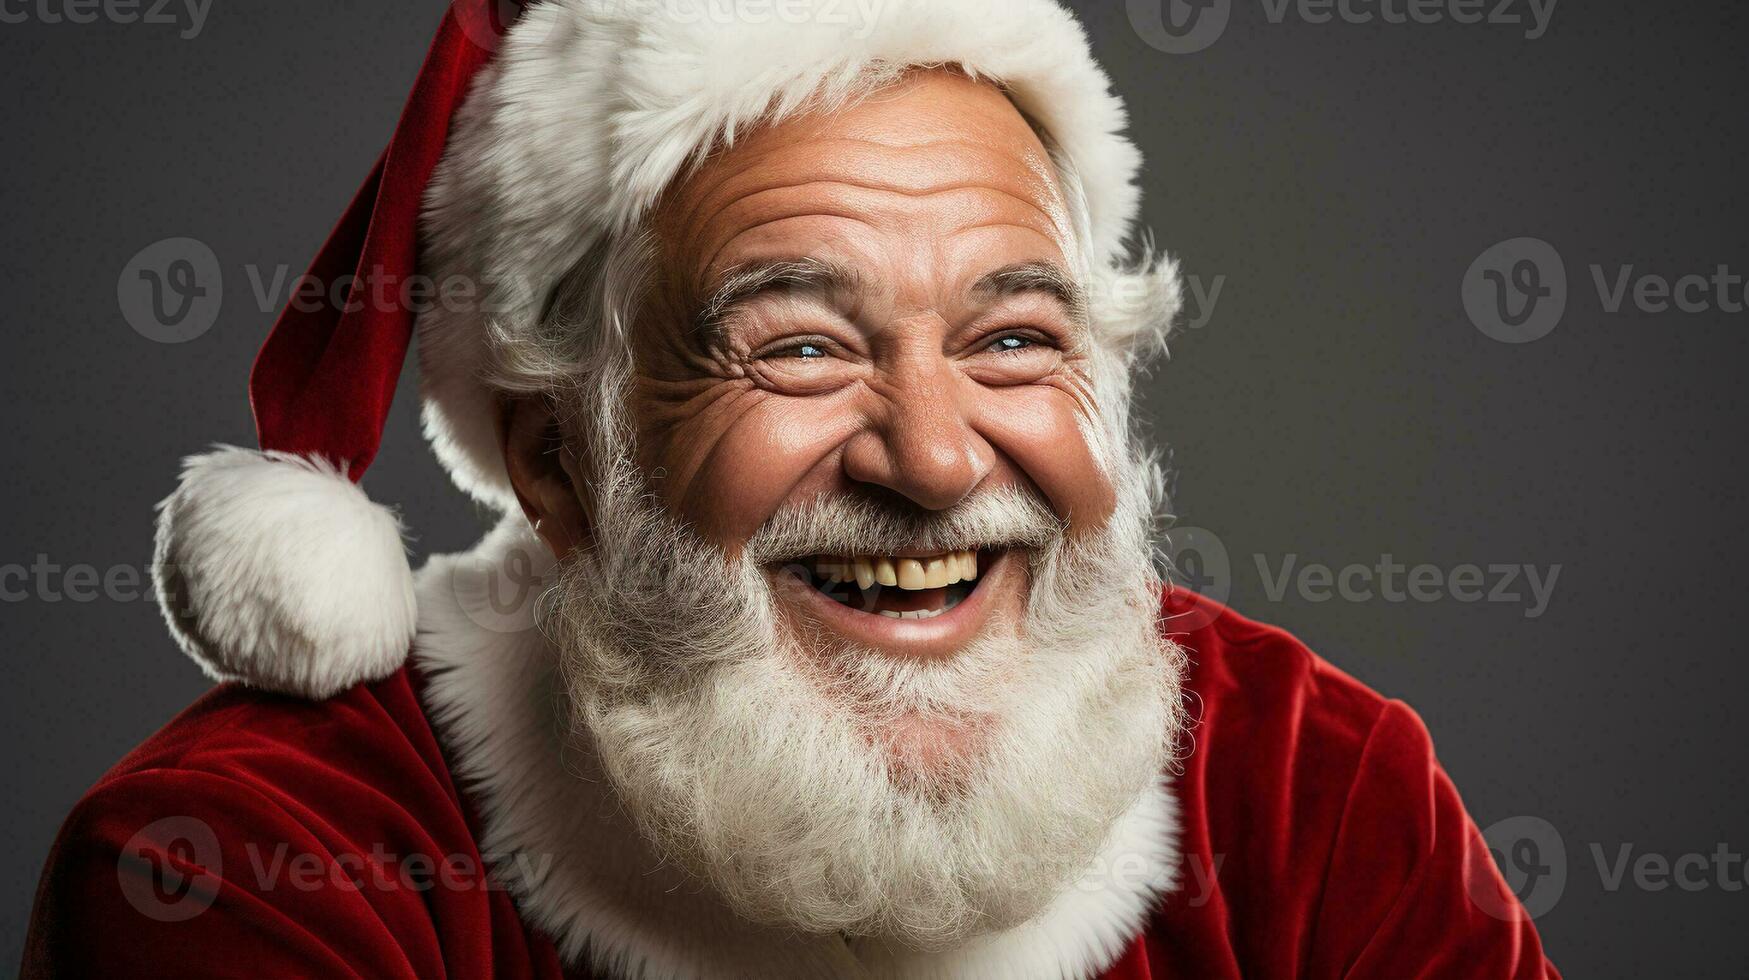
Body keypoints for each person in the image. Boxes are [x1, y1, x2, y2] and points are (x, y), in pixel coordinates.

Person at [23, 2, 1559, 976]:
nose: (938, 459)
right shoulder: (251, 869)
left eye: (1013, 339)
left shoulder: (1306, 789)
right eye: (801, 349)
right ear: (561, 461)